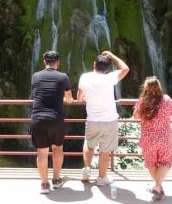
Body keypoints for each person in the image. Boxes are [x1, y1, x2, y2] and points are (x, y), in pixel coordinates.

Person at [76, 50, 130, 185]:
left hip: (92, 119)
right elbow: (125, 68)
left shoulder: (84, 77)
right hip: (109, 120)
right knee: (105, 150)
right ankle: (102, 178)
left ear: (94, 64)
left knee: (89, 145)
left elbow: (79, 97)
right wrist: (112, 56)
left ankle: (86, 172)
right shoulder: (110, 78)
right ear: (107, 68)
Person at [30, 50, 73, 194]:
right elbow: (68, 99)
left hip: (38, 118)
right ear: (58, 63)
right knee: (57, 148)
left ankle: (44, 184)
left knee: (42, 152)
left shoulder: (35, 76)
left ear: (44, 62)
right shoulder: (63, 77)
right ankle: (56, 179)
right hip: (56, 119)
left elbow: (36, 94)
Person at [134, 76, 172, 201]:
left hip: (148, 139)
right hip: (164, 138)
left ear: (145, 87)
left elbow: (136, 117)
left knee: (151, 163)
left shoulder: (142, 101)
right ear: (159, 86)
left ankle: (157, 186)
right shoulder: (166, 99)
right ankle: (157, 186)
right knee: (164, 162)